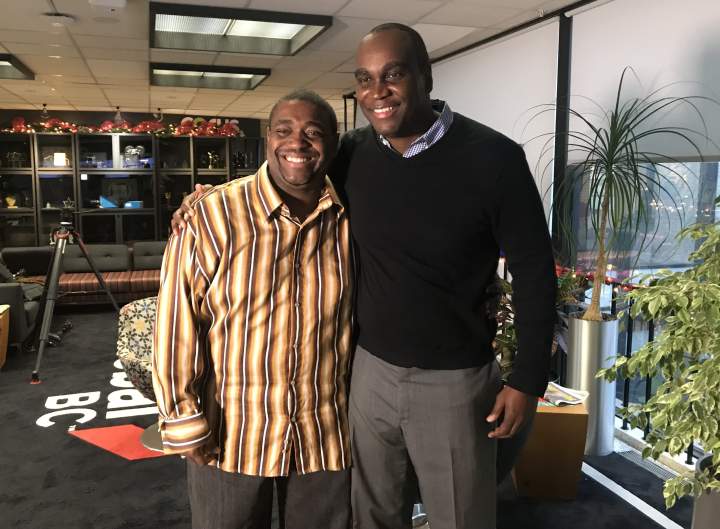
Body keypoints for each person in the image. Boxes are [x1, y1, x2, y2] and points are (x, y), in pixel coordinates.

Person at [172, 23, 556, 529]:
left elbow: (534, 271)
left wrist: (528, 379)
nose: (378, 91)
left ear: (426, 76)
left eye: (393, 75)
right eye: (365, 79)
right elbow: (292, 168)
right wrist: (208, 198)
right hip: (367, 376)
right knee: (370, 514)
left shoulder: (495, 158)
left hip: (454, 378)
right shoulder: (353, 153)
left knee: (460, 516)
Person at [152, 89, 354, 529]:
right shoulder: (212, 214)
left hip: (324, 435)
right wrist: (182, 416)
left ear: (333, 144)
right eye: (284, 130)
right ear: (268, 139)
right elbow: (176, 321)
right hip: (233, 435)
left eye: (313, 132)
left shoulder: (350, 219)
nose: (297, 142)